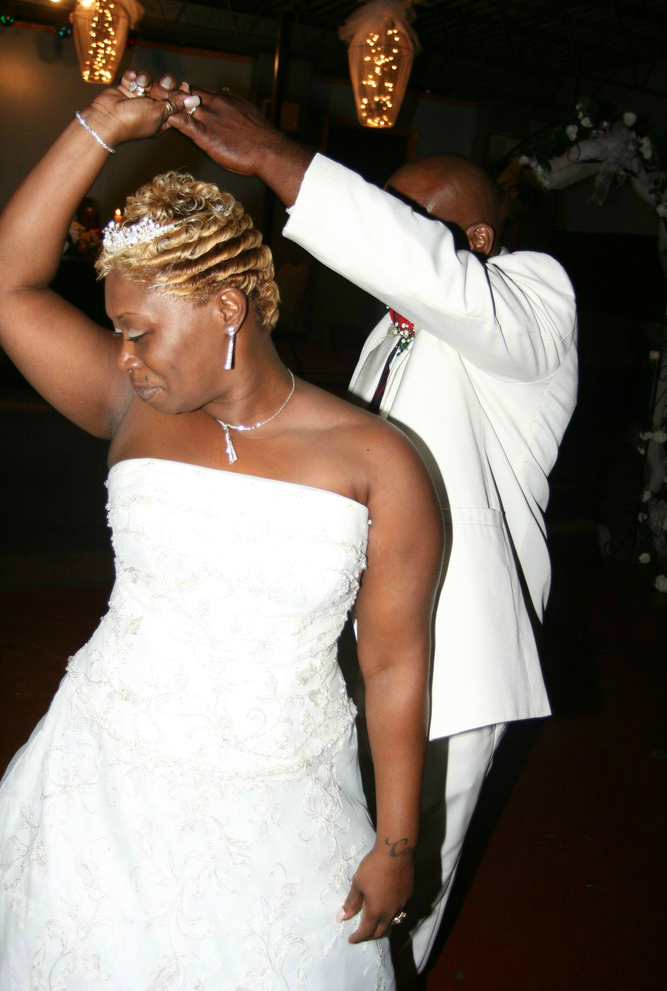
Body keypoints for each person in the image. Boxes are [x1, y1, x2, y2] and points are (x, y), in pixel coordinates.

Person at [0, 74, 444, 990]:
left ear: (227, 309)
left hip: (284, 800)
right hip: (103, 780)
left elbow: (395, 663)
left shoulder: (378, 461)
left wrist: (398, 841)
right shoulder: (131, 405)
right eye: (117, 334)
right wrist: (95, 128)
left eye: (139, 332)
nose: (125, 357)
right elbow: (9, 286)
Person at [151, 76, 579, 985]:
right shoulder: (389, 335)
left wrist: (277, 157)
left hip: (454, 653)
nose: (387, 230)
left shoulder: (532, 301)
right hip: (360, 632)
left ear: (475, 240)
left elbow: (422, 271)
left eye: (409, 218)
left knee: (400, 891)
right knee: (328, 857)